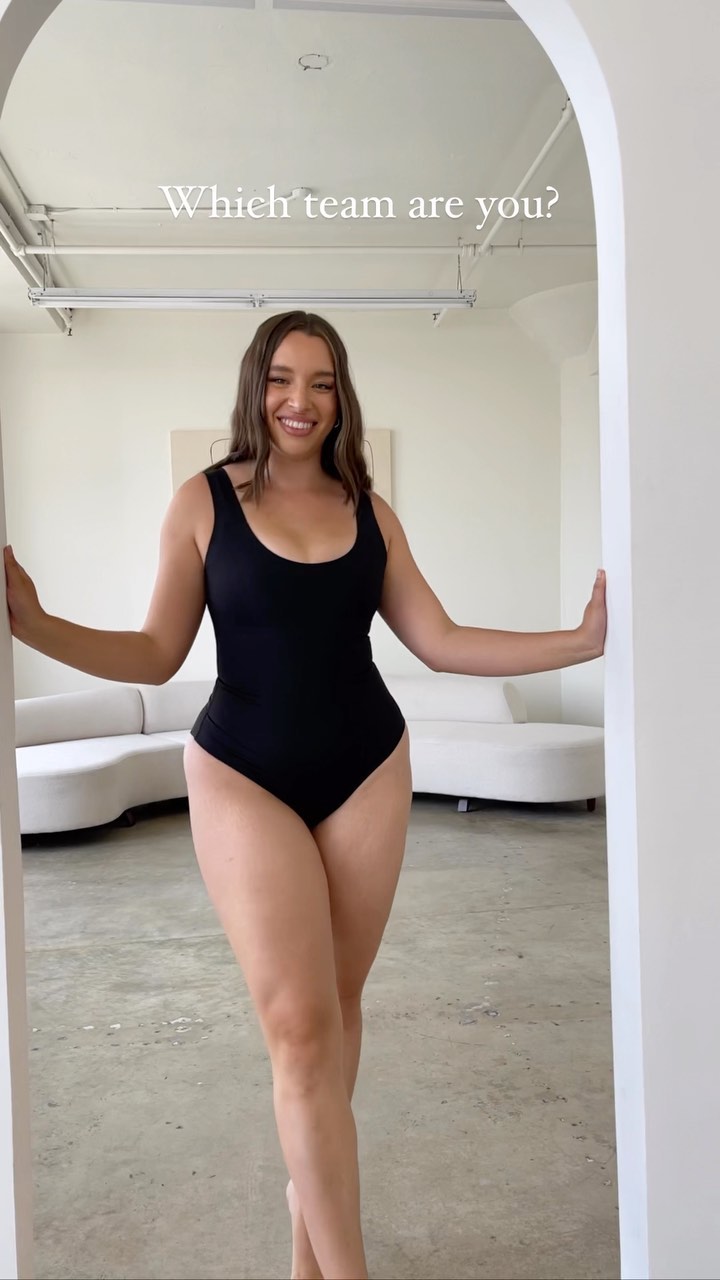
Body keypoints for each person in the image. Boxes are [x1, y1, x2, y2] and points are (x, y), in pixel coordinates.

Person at [4, 310, 607, 1280]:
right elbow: (155, 652)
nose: (301, 400)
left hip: (365, 763)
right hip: (241, 769)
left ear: (341, 397)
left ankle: (307, 1246)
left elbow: (441, 640)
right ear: (256, 385)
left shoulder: (370, 509)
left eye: (322, 382)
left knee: (337, 1006)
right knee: (297, 1024)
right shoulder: (202, 501)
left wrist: (578, 641)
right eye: (284, 378)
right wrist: (36, 626)